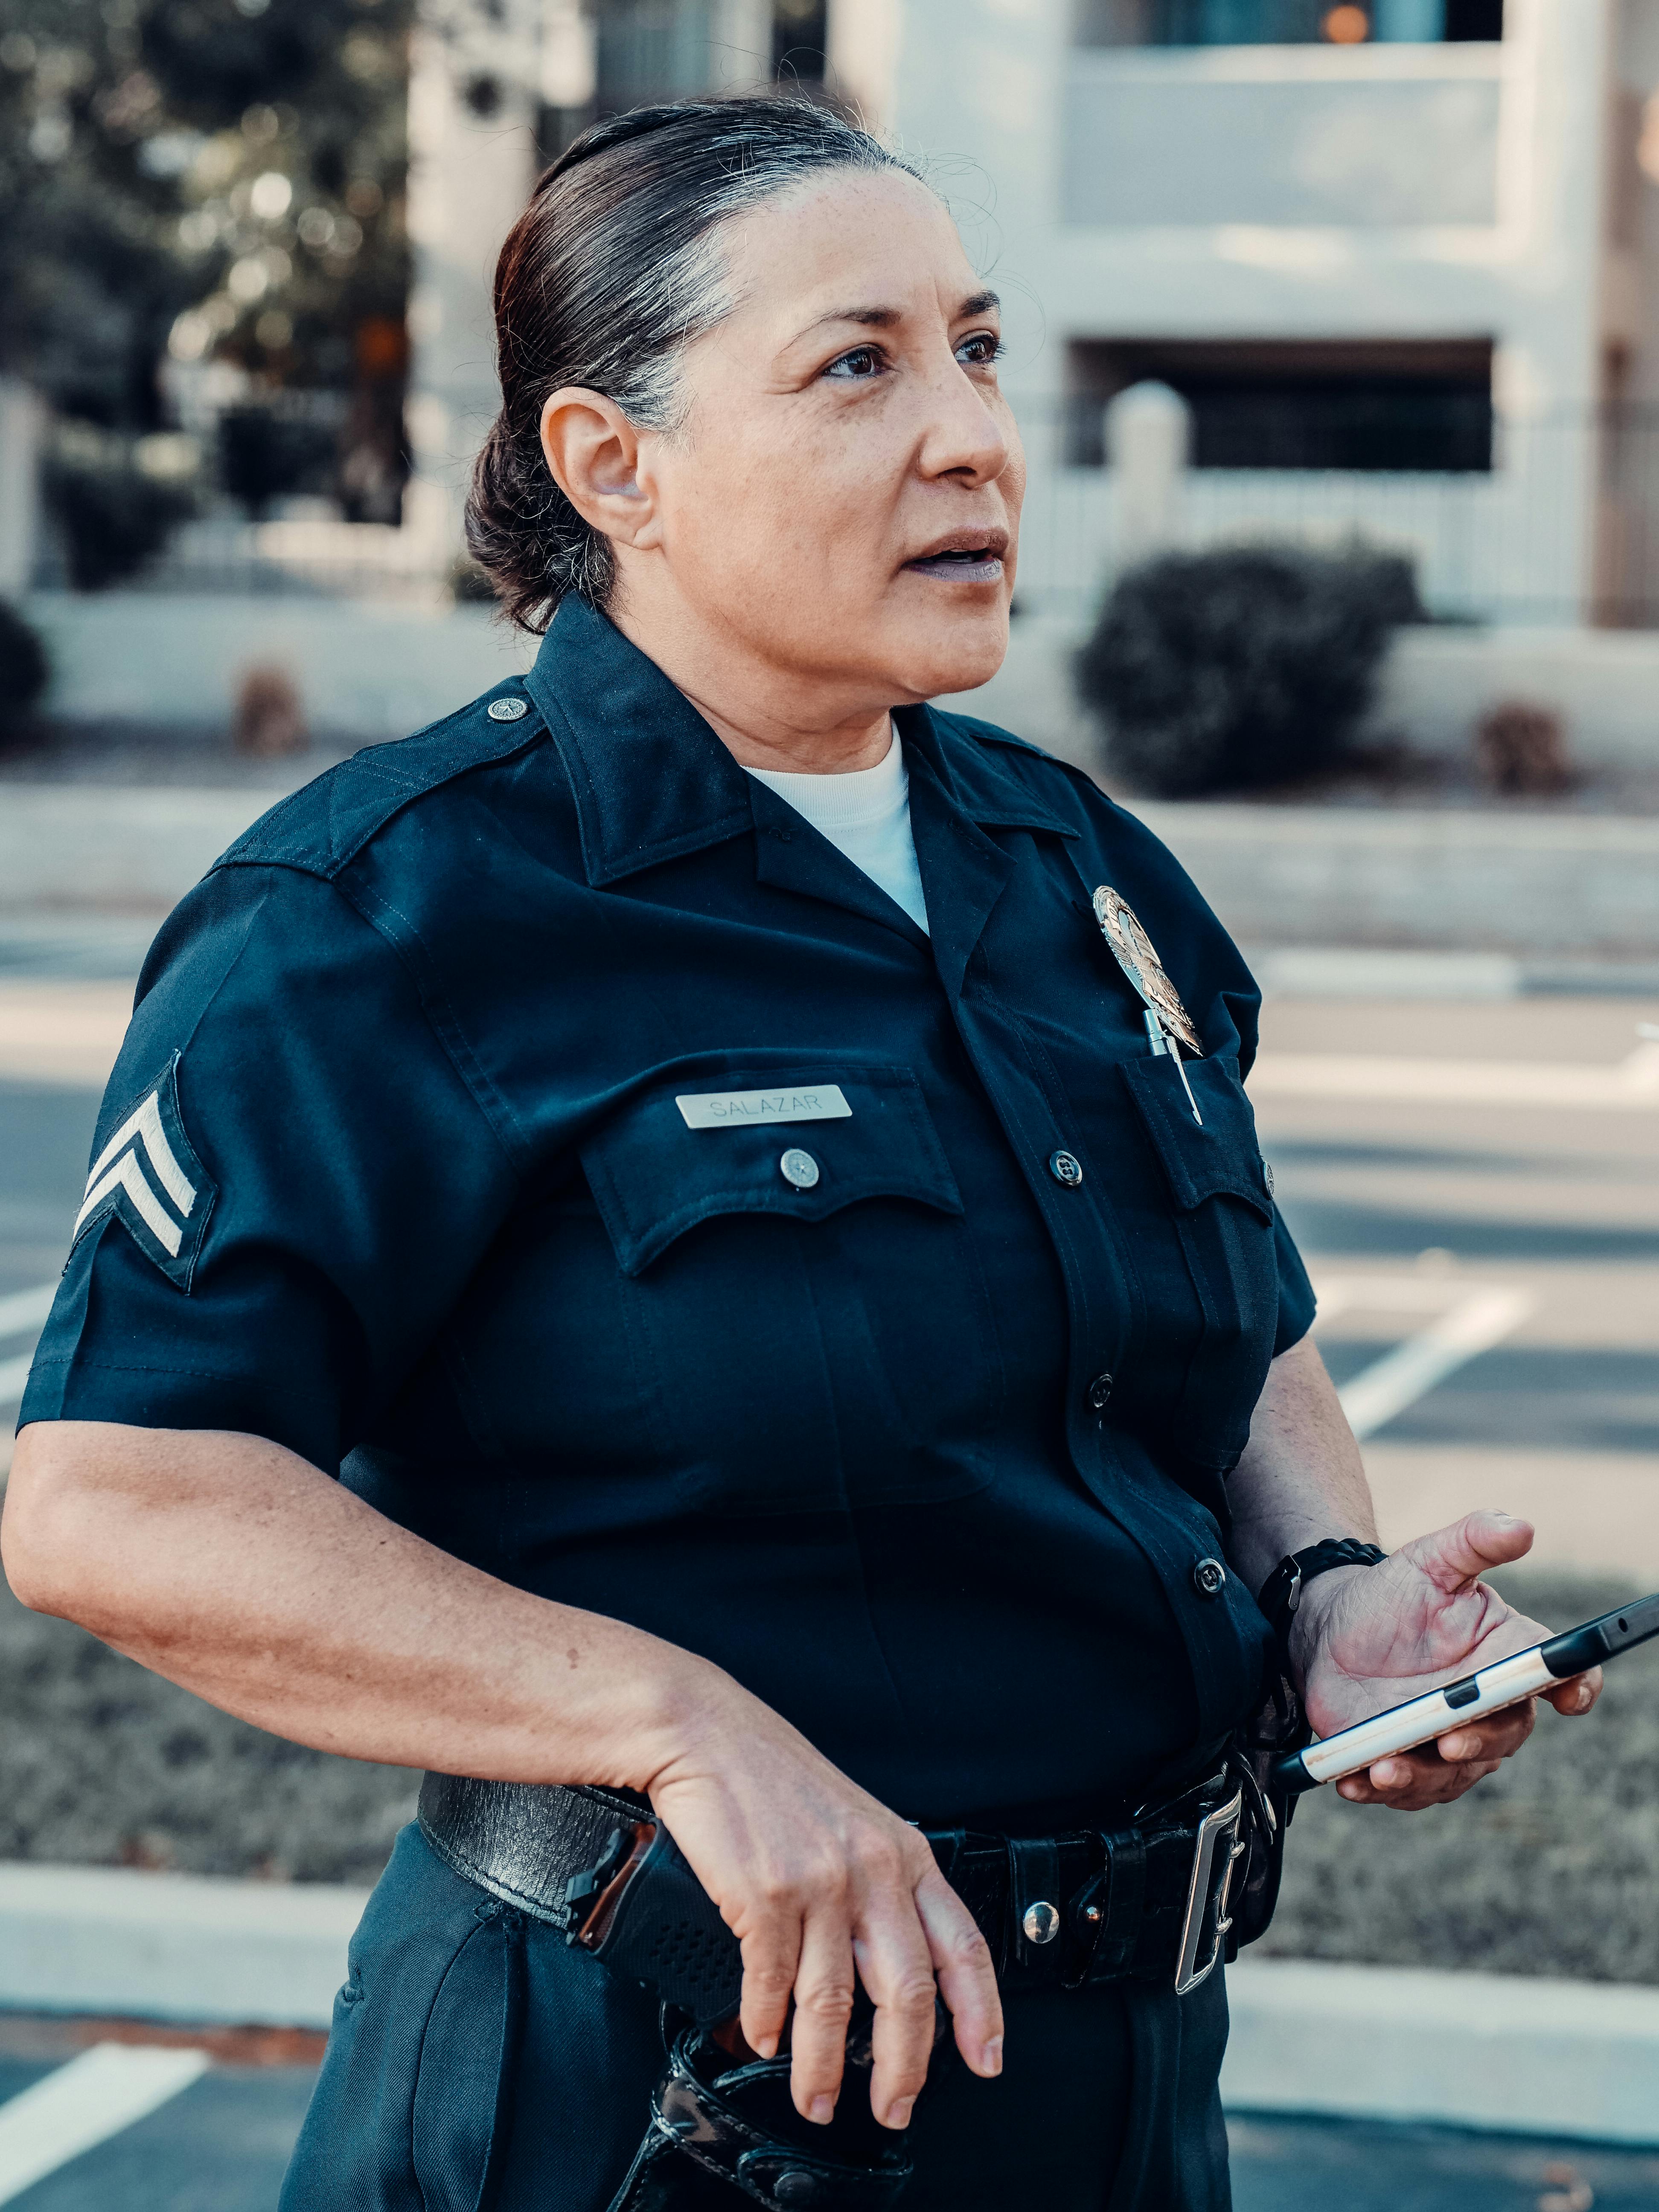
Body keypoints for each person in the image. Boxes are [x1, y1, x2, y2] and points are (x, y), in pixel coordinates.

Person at [0, 98, 1599, 2212]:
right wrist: (669, 1717)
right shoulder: (391, 912)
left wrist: (1329, 1592)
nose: (972, 438)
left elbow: (1236, 1322)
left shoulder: (1069, 865)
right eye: (857, 365)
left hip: (1113, 2100)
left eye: (977, 348)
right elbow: (116, 1497)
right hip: (648, 2109)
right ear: (612, 467)